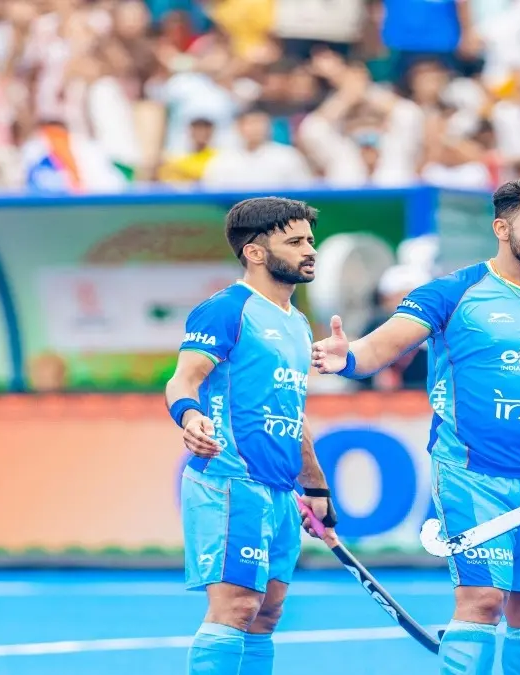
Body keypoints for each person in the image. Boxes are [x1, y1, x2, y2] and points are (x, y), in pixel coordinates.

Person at [311, 177, 520, 675]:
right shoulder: (452, 293)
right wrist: (349, 357)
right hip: (472, 476)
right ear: (501, 227)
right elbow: (377, 349)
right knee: (481, 601)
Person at [164, 197, 336, 675]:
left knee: (265, 616)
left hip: (279, 492)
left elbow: (292, 412)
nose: (310, 250)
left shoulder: (298, 324)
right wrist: (189, 416)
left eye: (310, 240)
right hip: (229, 483)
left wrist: (316, 486)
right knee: (236, 608)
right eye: (296, 241)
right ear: (256, 253)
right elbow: (183, 379)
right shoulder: (226, 310)